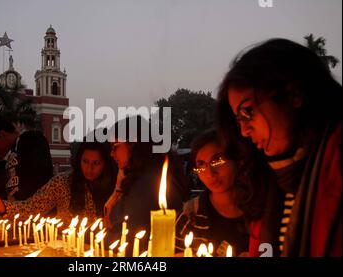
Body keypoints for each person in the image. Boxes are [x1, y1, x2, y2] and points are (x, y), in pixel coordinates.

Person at [216, 38, 342, 257]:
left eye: (247, 111)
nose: (244, 131)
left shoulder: (335, 158)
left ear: (294, 95)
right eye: (238, 120)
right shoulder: (267, 180)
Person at [103, 116, 188, 253]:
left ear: (134, 144)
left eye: (115, 147)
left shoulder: (147, 185)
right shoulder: (143, 177)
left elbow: (128, 238)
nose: (111, 154)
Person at [0, 141, 117, 225]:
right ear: (78, 160)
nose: (89, 168)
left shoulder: (115, 187)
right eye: (85, 161)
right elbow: (32, 207)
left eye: (96, 163)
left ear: (105, 164)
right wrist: (4, 206)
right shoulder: (63, 182)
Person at [180, 129, 249, 256]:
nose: (210, 173)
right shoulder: (190, 215)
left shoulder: (261, 210)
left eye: (217, 160)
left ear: (237, 161)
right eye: (201, 165)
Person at [0, 116, 53, 201]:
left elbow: (39, 178)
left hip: (36, 209)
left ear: (2, 134)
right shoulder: (6, 157)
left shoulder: (31, 140)